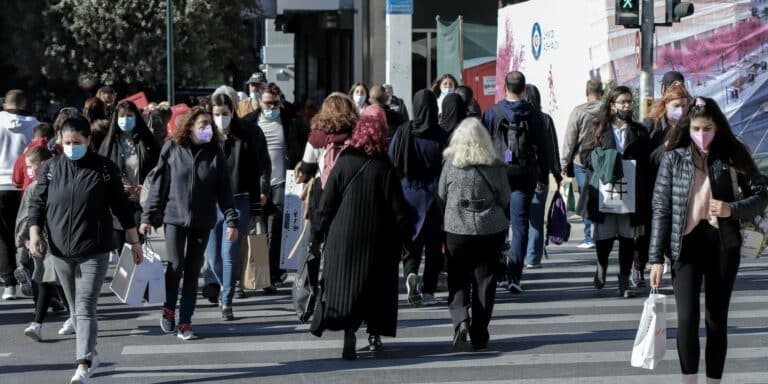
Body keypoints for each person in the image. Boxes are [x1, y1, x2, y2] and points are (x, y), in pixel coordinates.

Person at [649, 97, 768, 384]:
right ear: (687, 127)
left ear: (717, 126)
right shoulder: (673, 158)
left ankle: (714, 381)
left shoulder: (732, 153)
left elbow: (762, 195)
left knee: (716, 321)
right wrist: (655, 258)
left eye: (708, 128)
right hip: (685, 246)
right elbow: (661, 208)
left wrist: (731, 209)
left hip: (722, 244)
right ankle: (689, 380)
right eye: (696, 128)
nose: (702, 135)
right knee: (687, 320)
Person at [27, 115, 143, 384]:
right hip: (59, 250)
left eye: (77, 142)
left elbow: (122, 208)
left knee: (86, 306)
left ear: (89, 141)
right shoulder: (52, 168)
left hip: (95, 248)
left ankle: (83, 364)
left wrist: (134, 242)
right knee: (74, 308)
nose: (71, 146)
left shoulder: (104, 169)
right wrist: (34, 233)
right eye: (66, 142)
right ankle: (91, 350)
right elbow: (37, 203)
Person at [309, 108, 409, 360]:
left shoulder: (344, 160)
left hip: (343, 235)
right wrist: (404, 239)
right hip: (378, 237)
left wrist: (317, 233)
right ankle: (374, 334)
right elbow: (399, 210)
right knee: (376, 286)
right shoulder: (385, 165)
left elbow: (327, 202)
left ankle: (349, 331)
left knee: (346, 284)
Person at [140, 107, 239, 340]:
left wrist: (232, 219)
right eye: (202, 125)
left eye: (209, 125)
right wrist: (148, 217)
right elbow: (158, 185)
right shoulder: (173, 148)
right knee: (175, 266)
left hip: (203, 220)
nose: (207, 129)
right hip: (174, 217)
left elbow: (225, 189)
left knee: (193, 271)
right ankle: (168, 308)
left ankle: (185, 321)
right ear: (190, 126)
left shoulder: (216, 153)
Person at [439, 117, 510, 351]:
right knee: (485, 282)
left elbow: (441, 195)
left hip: (457, 230)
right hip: (489, 230)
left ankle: (460, 320)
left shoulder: (450, 164)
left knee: (457, 278)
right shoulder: (496, 165)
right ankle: (480, 333)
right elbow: (504, 198)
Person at [579, 86, 650, 298]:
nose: (627, 106)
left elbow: (646, 162)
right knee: (605, 237)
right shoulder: (598, 127)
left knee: (628, 238)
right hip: (605, 189)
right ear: (612, 105)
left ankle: (623, 281)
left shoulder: (638, 131)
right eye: (622, 102)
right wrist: (603, 160)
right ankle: (601, 264)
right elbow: (584, 156)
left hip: (631, 190)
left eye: (629, 102)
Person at [204, 93, 270, 318]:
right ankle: (225, 285)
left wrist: (256, 206)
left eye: (225, 114)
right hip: (211, 203)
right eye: (216, 114)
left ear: (232, 112)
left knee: (230, 253)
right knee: (213, 258)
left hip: (238, 200)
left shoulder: (247, 135)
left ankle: (227, 301)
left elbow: (256, 171)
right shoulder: (205, 136)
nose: (221, 118)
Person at [482, 71, 548, 294]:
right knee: (520, 226)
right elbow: (544, 146)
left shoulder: (492, 112)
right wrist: (544, 175)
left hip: (498, 173)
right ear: (524, 88)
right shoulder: (534, 114)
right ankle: (514, 276)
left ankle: (499, 271)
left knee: (498, 224)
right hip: (525, 172)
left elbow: (483, 143)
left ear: (505, 86)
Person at [389, 89, 449, 307]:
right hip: (434, 195)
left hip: (408, 193)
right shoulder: (441, 134)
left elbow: (392, 160)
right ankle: (429, 289)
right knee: (434, 245)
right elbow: (448, 164)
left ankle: (411, 273)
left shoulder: (404, 131)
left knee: (411, 240)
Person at [634, 83, 691, 287]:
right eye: (676, 105)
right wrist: (665, 148)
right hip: (655, 186)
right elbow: (645, 160)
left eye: (685, 105)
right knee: (652, 228)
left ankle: (678, 268)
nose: (681, 110)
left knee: (679, 228)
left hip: (683, 186)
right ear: (665, 105)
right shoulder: (652, 126)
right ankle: (642, 265)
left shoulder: (693, 125)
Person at [252, 85, 308, 291]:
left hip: (282, 181)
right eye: (268, 103)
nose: (272, 107)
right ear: (259, 102)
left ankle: (272, 273)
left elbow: (303, 144)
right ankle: (259, 273)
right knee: (259, 230)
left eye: (276, 103)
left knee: (276, 226)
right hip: (256, 182)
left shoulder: (290, 121)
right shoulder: (251, 122)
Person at [19, 147, 73, 341]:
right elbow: (28, 216)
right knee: (54, 281)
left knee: (48, 280)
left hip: (56, 240)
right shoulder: (36, 187)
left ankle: (38, 323)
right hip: (43, 241)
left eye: (32, 167)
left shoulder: (45, 185)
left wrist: (22, 238)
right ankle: (71, 315)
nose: (30, 171)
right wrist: (26, 238)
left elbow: (27, 217)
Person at [99, 100, 161, 250]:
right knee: (121, 247)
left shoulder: (147, 141)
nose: (126, 119)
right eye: (122, 116)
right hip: (117, 202)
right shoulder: (109, 144)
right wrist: (118, 184)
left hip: (140, 201)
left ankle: (136, 271)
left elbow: (158, 170)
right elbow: (101, 171)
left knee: (135, 245)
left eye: (129, 116)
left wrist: (145, 187)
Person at [0, 89, 38, 300]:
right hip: (26, 187)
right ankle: (32, 276)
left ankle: (9, 285)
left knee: (4, 237)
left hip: (0, 185)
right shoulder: (33, 124)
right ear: (24, 104)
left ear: (5, 104)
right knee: (28, 232)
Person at [522, 84, 563, 268]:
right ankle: (532, 258)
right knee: (537, 220)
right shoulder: (545, 119)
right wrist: (556, 172)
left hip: (517, 176)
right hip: (540, 176)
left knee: (519, 219)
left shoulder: (516, 118)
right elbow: (551, 149)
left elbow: (507, 149)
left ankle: (518, 255)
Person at [561, 79, 604, 249]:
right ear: (601, 93)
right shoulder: (607, 110)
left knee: (586, 198)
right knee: (602, 196)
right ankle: (603, 233)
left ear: (587, 93)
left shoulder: (578, 112)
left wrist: (564, 161)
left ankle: (589, 236)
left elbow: (570, 139)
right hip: (603, 159)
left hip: (582, 161)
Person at [12, 122, 54, 191]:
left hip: (27, 196)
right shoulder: (55, 154)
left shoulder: (23, 156)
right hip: (49, 196)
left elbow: (17, 181)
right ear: (49, 138)